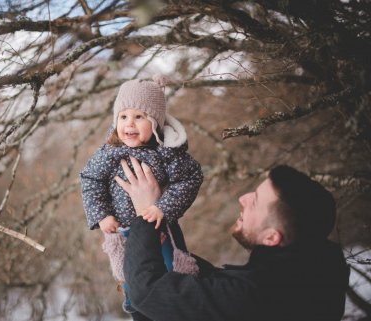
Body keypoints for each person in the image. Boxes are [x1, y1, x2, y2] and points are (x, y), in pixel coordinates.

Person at [117, 163, 350, 321]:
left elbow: (147, 293)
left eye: (255, 201)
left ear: (272, 238)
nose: (243, 198)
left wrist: (146, 215)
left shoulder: (258, 295)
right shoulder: (307, 284)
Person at [79, 75, 203, 315]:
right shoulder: (110, 151)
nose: (129, 124)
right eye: (123, 117)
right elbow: (90, 179)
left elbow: (191, 178)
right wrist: (102, 215)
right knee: (132, 276)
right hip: (124, 230)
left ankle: (178, 308)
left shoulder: (167, 152)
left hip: (161, 227)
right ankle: (134, 304)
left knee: (172, 272)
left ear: (155, 122)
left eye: (139, 117)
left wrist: (163, 207)